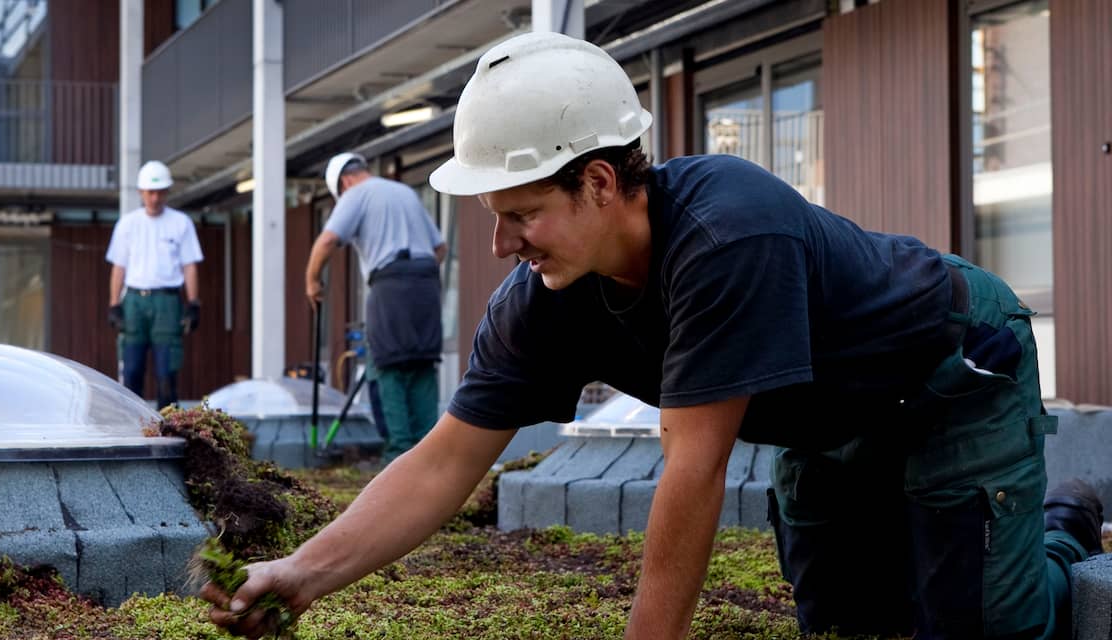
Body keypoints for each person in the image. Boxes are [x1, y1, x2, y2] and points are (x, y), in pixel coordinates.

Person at [203, 32, 1104, 639]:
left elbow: (693, 466)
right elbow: (445, 460)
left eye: (520, 215)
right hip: (829, 424)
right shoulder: (541, 297)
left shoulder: (727, 233)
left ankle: (1063, 530)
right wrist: (306, 574)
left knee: (981, 625)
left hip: (951, 370)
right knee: (845, 623)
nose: (500, 245)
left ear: (599, 182)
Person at [304, 152, 446, 463]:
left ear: (344, 182)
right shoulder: (404, 192)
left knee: (387, 365)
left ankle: (399, 455)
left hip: (390, 283)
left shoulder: (355, 193)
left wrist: (312, 281)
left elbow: (327, 241)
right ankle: (429, 456)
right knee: (422, 363)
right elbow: (440, 247)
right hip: (426, 281)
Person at [105, 160, 203, 410]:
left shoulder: (181, 223)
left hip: (167, 301)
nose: (155, 198)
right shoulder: (128, 224)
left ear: (168, 192)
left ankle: (167, 426)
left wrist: (193, 302)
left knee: (166, 370)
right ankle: (131, 427)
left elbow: (189, 265)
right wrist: (114, 304)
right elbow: (119, 267)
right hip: (135, 299)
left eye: (160, 192)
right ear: (141, 193)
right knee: (132, 368)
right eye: (150, 192)